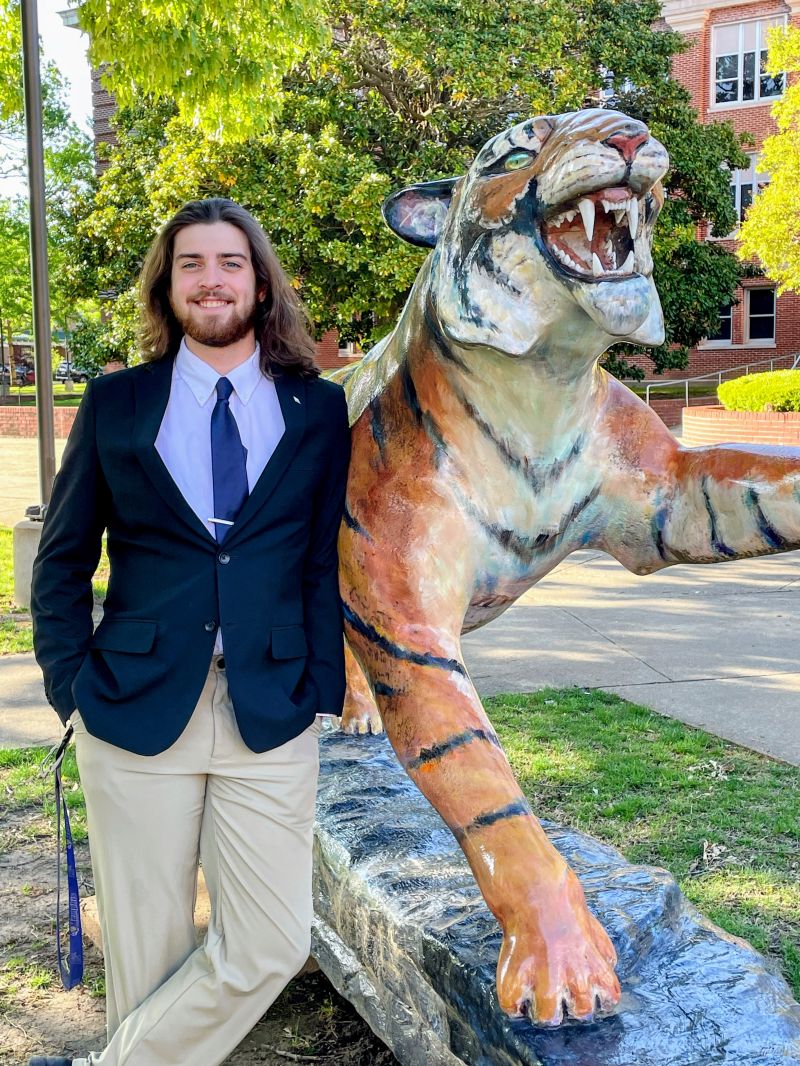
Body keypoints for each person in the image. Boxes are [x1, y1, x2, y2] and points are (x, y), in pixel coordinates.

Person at [29, 198, 351, 1066]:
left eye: (230, 262)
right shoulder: (118, 403)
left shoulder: (317, 410)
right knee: (150, 956)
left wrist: (323, 686)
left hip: (269, 706)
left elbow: (320, 559)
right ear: (167, 287)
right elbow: (61, 560)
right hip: (131, 706)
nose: (211, 280)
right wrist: (71, 689)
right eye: (192, 264)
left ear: (260, 281)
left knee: (271, 943)